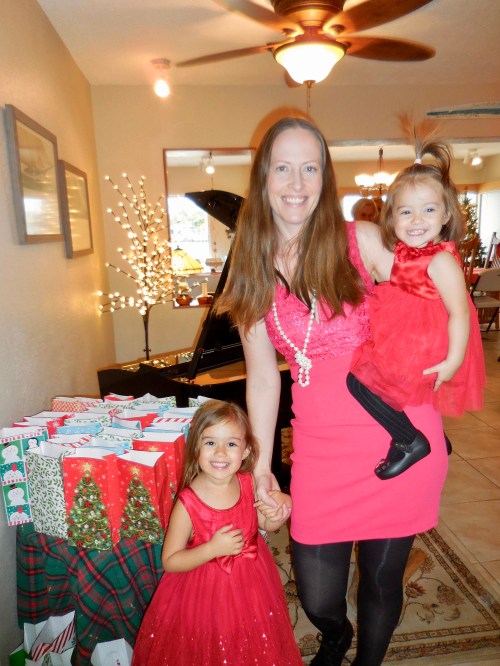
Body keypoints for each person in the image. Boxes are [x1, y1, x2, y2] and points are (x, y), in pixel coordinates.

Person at [215, 116, 449, 666]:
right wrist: (261, 464)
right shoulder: (250, 268)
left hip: (399, 437)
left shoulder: (359, 241)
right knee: (318, 594)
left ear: (325, 177)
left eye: (310, 168)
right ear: (263, 176)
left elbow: (430, 290)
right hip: (320, 449)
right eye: (283, 168)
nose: (297, 183)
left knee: (382, 580)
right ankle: (335, 634)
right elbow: (263, 375)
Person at [347, 138, 485, 479]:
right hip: (407, 333)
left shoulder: (440, 260)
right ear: (392, 217)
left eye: (429, 210)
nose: (416, 220)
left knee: (360, 383)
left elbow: (460, 312)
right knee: (399, 387)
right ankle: (437, 437)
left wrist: (454, 360)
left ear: (446, 214)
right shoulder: (409, 252)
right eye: (406, 211)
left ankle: (409, 440)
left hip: (422, 341)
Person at [132, 399, 302, 666]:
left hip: (252, 581)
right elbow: (171, 561)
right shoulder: (188, 502)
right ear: (196, 447)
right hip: (204, 591)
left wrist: (278, 513)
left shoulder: (248, 483)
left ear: (246, 451)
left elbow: (265, 524)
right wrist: (212, 549)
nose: (221, 452)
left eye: (231, 444)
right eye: (211, 442)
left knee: (252, 637)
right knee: (210, 643)